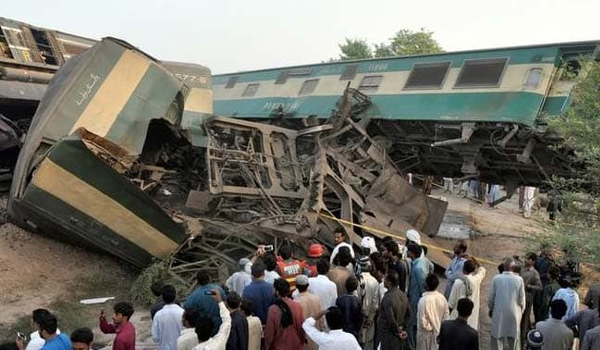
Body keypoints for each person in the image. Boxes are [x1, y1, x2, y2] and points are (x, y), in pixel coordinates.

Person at [488, 257, 526, 350]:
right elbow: (522, 300)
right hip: (514, 313)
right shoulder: (519, 279)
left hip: (499, 312)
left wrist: (491, 309)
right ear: (513, 268)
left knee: (497, 336)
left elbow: (491, 298)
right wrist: (520, 312)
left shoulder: (496, 279)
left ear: (503, 267)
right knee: (513, 337)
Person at [264, 278, 306, 350]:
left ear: (277, 292)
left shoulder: (273, 310)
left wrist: (267, 346)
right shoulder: (296, 305)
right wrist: (301, 341)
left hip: (279, 346)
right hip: (295, 345)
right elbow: (301, 327)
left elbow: (269, 333)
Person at [448, 258, 486, 329]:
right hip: (470, 317)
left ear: (463, 269)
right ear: (474, 270)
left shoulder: (458, 282)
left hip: (457, 316)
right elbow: (482, 270)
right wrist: (476, 261)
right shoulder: (476, 280)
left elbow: (451, 302)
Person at [377, 271, 411, 350]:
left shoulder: (387, 298)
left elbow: (391, 319)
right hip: (399, 337)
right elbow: (409, 314)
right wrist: (403, 329)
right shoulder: (403, 295)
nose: (383, 281)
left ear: (389, 282)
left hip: (388, 337)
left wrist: (397, 331)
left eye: (385, 279)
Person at [406, 244, 430, 350]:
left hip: (416, 301)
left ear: (412, 253)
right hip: (414, 299)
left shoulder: (418, 268)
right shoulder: (421, 262)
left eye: (408, 251)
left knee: (412, 327)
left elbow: (423, 287)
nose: (406, 252)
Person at [416, 274, 448, 350]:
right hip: (438, 333)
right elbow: (446, 317)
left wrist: (431, 328)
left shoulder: (423, 301)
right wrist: (438, 328)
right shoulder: (442, 298)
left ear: (426, 285)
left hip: (425, 336)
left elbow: (422, 322)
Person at [294, 275, 323, 350]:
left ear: (296, 286)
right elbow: (321, 317)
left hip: (304, 338)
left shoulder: (296, 302)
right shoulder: (316, 298)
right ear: (308, 285)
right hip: (316, 336)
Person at [358, 256, 381, 350]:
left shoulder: (357, 280)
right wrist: (371, 318)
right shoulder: (375, 282)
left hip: (358, 317)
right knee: (368, 342)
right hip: (369, 320)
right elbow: (375, 304)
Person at [153, 285, 185, 350]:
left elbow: (155, 337)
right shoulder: (182, 313)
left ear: (162, 298)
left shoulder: (158, 315)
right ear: (175, 296)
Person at [521, 252, 543, 346]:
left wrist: (530, 286)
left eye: (528, 259)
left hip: (527, 298)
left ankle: (523, 339)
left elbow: (540, 287)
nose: (525, 260)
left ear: (533, 261)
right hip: (518, 297)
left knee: (525, 319)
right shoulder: (521, 269)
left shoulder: (534, 273)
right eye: (525, 258)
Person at [335, 275, 363, 341]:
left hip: (341, 330)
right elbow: (359, 318)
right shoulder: (357, 301)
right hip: (353, 331)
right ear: (356, 288)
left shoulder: (339, 299)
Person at [534, 249, 555, 323]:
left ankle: (539, 321)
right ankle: (540, 321)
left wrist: (537, 276)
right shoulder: (548, 261)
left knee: (539, 303)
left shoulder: (542, 260)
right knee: (540, 304)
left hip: (541, 284)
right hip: (543, 284)